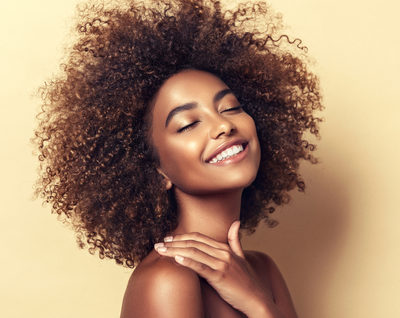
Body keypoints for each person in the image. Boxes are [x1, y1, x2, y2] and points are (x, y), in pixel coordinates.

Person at [33, 0, 323, 317]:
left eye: (231, 108)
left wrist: (256, 302)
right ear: (156, 170)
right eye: (188, 124)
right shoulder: (167, 279)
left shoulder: (262, 270)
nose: (224, 126)